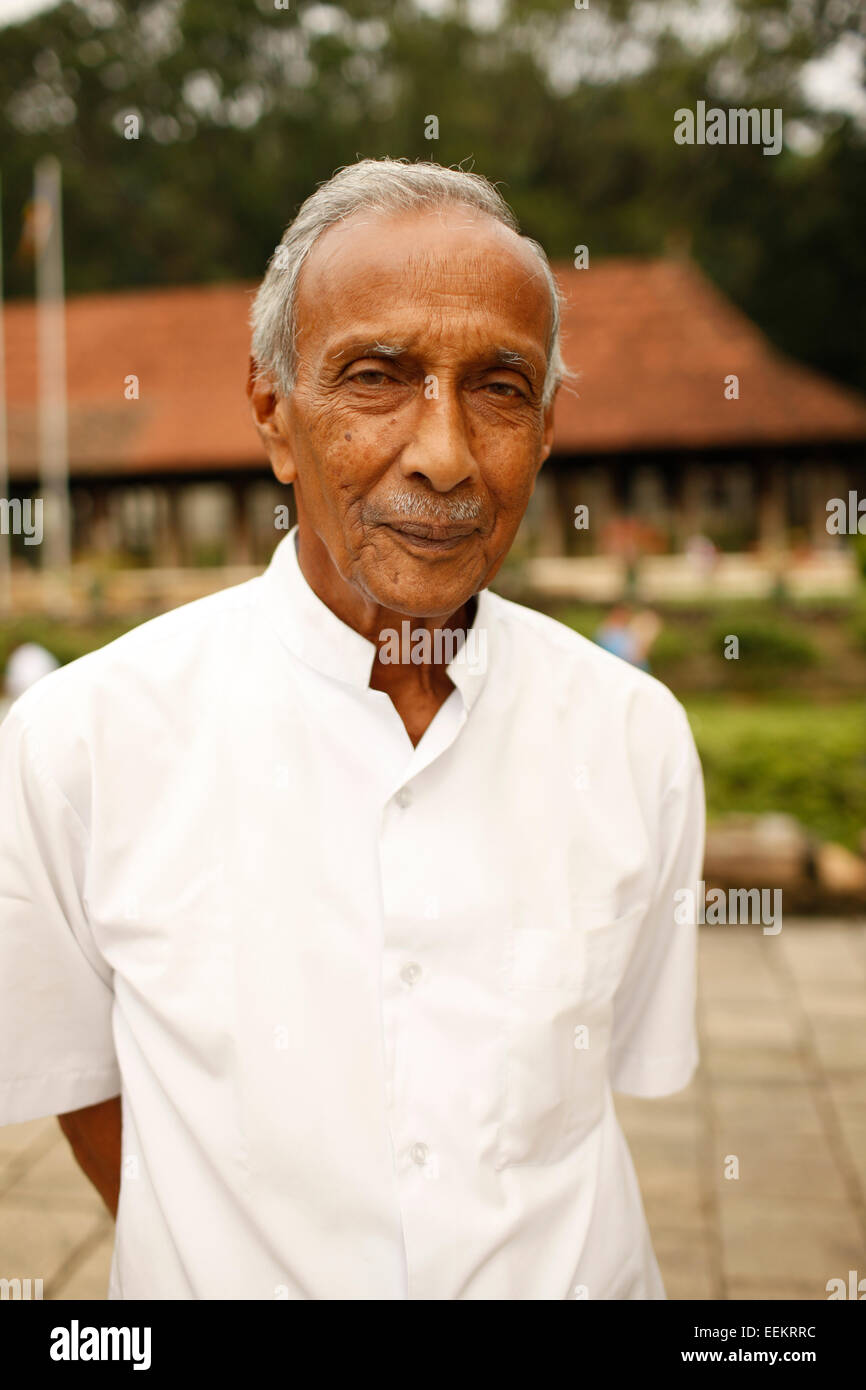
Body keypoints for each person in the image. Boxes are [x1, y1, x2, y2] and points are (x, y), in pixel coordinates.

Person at [0, 159, 704, 1300]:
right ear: (274, 414)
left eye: (498, 387)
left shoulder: (633, 736)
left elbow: (605, 1074)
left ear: (545, 428)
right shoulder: (82, 743)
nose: (444, 454)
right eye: (376, 377)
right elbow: (79, 1072)